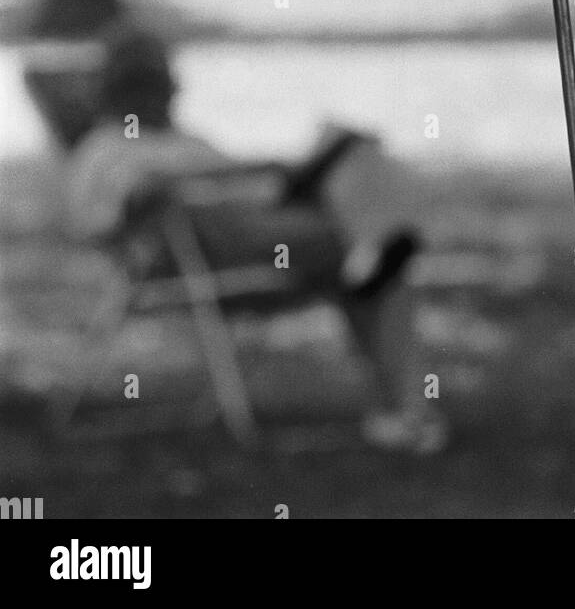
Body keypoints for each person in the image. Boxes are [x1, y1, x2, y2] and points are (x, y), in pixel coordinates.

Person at [67, 26, 447, 454]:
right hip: (212, 250)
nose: (174, 90)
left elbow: (253, 190)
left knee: (350, 157)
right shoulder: (102, 149)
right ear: (127, 89)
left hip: (270, 229)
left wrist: (285, 172)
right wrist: (197, 179)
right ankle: (406, 402)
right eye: (160, 81)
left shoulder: (187, 140)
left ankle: (398, 407)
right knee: (374, 252)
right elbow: (102, 219)